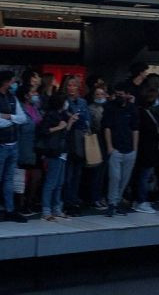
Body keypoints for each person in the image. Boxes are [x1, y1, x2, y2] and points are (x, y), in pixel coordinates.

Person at [0, 70, 28, 224]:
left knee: (9, 179)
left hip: (13, 143)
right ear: (6, 82)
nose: (13, 84)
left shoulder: (12, 97)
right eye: (11, 81)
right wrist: (14, 119)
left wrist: (9, 116)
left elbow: (23, 118)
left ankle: (10, 209)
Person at [102, 82, 139, 216]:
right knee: (115, 177)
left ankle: (117, 202)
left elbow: (135, 129)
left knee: (124, 179)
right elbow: (107, 127)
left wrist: (135, 148)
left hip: (129, 149)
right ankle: (112, 203)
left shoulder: (132, 109)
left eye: (121, 94)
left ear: (127, 95)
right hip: (116, 149)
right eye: (116, 94)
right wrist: (110, 147)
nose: (118, 97)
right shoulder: (110, 108)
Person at [39, 94, 75, 220]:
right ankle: (46, 210)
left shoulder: (63, 115)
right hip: (53, 152)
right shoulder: (50, 115)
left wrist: (69, 122)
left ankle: (57, 208)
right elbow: (44, 131)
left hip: (63, 150)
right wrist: (59, 127)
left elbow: (65, 131)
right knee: (51, 182)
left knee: (59, 182)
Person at [60, 75, 90, 216]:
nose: (71, 88)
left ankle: (74, 200)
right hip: (68, 140)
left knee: (77, 174)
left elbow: (87, 120)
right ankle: (66, 202)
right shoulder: (63, 102)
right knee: (68, 175)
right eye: (69, 85)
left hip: (81, 140)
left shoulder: (83, 102)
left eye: (74, 85)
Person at [135, 88, 159, 214]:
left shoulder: (148, 112)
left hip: (149, 149)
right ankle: (141, 200)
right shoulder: (143, 113)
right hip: (146, 149)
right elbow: (148, 131)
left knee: (145, 175)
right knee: (144, 176)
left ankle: (140, 199)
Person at [16, 85, 42, 216]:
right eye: (33, 92)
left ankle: (30, 202)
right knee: (22, 178)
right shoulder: (19, 108)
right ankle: (20, 205)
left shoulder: (35, 108)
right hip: (23, 147)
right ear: (26, 95)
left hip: (36, 146)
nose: (35, 94)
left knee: (36, 176)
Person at [88, 86, 108, 210]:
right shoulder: (91, 109)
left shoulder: (109, 107)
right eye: (97, 94)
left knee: (105, 172)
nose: (100, 96)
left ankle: (101, 196)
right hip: (97, 139)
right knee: (96, 171)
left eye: (102, 94)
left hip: (107, 141)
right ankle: (94, 197)